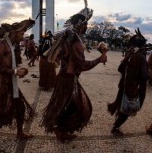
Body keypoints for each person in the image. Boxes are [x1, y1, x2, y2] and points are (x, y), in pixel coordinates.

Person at [41, 8, 107, 142]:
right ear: (80, 25)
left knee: (67, 108)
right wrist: (99, 60)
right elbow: (82, 65)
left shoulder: (66, 39)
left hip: (63, 78)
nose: (87, 27)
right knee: (81, 109)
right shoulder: (75, 42)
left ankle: (62, 130)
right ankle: (61, 130)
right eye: (85, 25)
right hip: (68, 81)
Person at [0, 18, 36, 141]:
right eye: (21, 34)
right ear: (13, 33)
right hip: (3, 84)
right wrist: (15, 71)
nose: (22, 37)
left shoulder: (11, 46)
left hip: (11, 82)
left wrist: (20, 69)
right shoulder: (1, 45)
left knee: (20, 108)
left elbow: (10, 65)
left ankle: (20, 132)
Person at [107, 28, 148, 136]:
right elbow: (144, 76)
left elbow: (120, 69)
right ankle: (115, 127)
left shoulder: (129, 54)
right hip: (132, 88)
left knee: (122, 104)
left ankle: (116, 122)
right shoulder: (141, 58)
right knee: (127, 110)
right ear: (142, 46)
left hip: (123, 85)